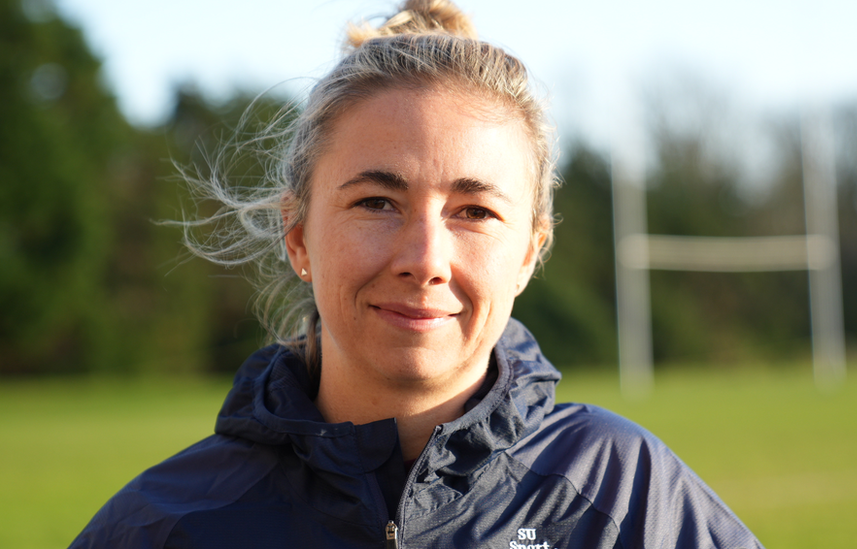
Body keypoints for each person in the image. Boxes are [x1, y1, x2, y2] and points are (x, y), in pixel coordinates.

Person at [70, 1, 764, 547]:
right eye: (377, 202)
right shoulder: (163, 526)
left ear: (529, 251)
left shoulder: (623, 499)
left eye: (475, 211)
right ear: (299, 233)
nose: (425, 258)